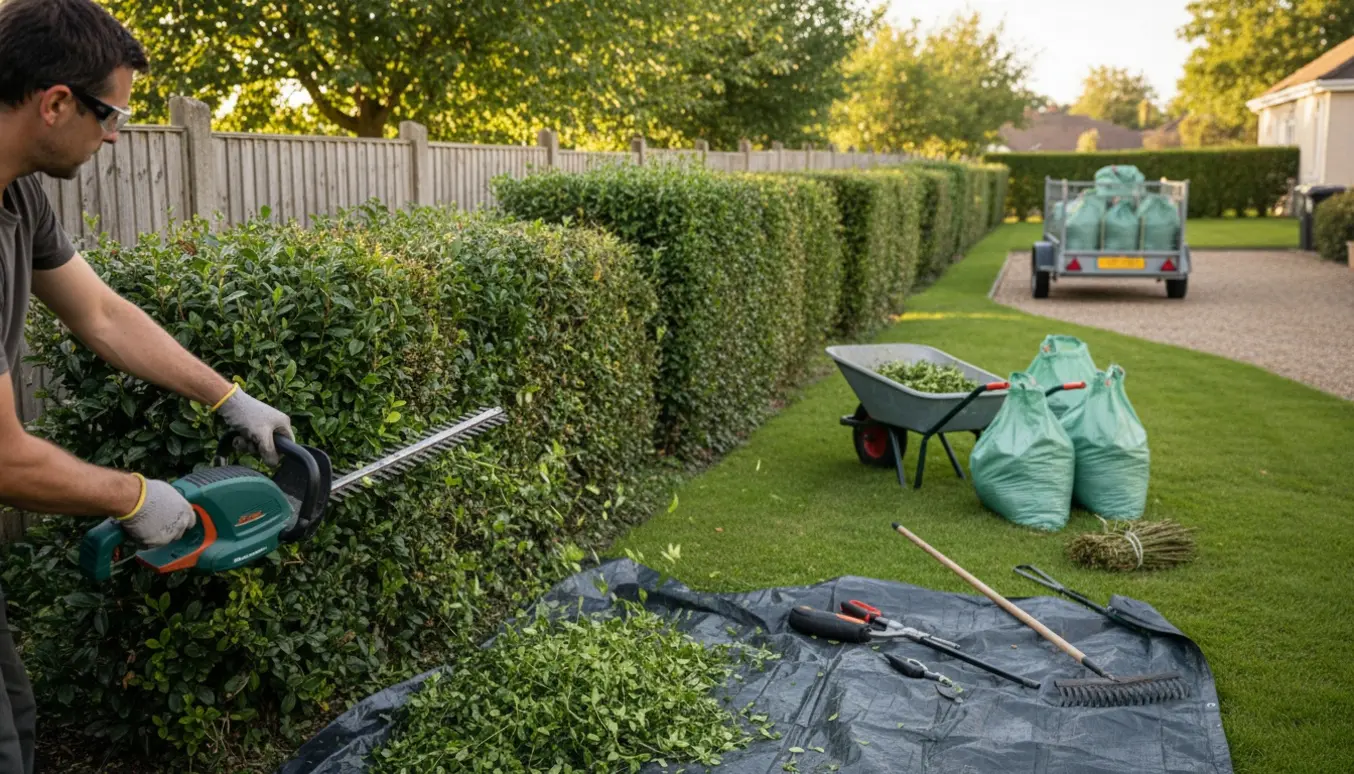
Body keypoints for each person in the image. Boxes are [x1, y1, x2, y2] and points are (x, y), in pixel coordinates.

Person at [0, 1, 296, 770]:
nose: (114, 135)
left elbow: (99, 313)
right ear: (56, 101)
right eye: (110, 114)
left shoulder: (17, 196)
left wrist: (228, 398)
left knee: (18, 726)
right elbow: (2, 458)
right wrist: (135, 498)